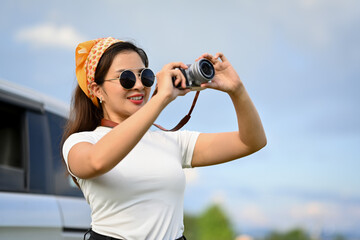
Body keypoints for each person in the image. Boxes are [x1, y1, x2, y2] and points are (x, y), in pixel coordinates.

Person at [62, 37, 266, 240]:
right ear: (97, 90)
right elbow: (96, 162)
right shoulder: (81, 142)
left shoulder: (171, 142)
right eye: (126, 78)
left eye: (146, 76)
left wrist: (237, 90)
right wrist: (160, 98)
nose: (140, 85)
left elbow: (251, 141)